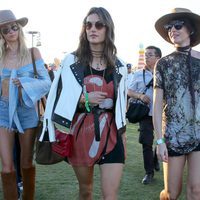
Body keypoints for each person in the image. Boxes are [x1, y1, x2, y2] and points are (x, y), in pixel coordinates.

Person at [42, 7, 127, 199]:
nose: (92, 29)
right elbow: (57, 96)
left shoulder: (120, 65)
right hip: (81, 132)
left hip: (112, 133)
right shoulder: (71, 60)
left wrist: (123, 133)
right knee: (86, 191)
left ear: (108, 29)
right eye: (88, 25)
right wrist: (84, 99)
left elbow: (121, 104)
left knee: (110, 195)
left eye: (98, 25)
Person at [0, 10, 51, 200]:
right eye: (5, 30)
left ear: (19, 29)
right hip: (3, 110)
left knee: (26, 162)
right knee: (6, 166)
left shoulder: (32, 53)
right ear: (1, 34)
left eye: (14, 27)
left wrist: (26, 83)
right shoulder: (0, 56)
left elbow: (47, 82)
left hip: (27, 110)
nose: (11, 31)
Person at [154, 8, 200, 199]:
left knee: (196, 190)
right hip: (173, 136)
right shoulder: (163, 63)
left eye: (178, 25)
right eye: (169, 27)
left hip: (199, 133)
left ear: (190, 29)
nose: (172, 29)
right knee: (172, 193)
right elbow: (156, 106)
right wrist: (159, 141)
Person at [128, 46, 162, 184]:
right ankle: (149, 172)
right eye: (146, 55)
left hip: (163, 114)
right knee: (146, 143)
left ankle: (155, 158)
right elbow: (129, 91)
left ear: (158, 57)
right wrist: (140, 96)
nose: (147, 57)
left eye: (150, 55)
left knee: (161, 140)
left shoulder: (164, 72)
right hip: (145, 114)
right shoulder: (138, 74)